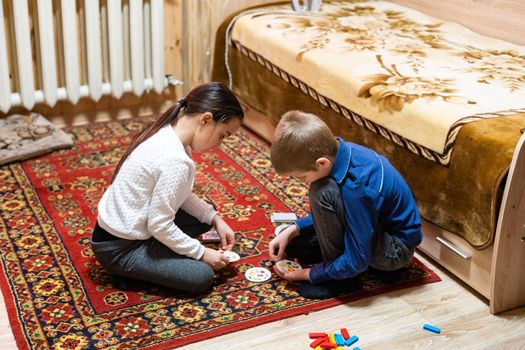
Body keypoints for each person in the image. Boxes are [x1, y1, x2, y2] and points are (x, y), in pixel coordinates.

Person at [91, 82, 244, 294]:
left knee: (203, 215)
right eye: (222, 135)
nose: (219, 143)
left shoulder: (167, 133)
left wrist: (215, 218)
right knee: (202, 276)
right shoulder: (176, 160)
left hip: (117, 232)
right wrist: (201, 253)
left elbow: (177, 195)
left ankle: (159, 255)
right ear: (206, 119)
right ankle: (132, 269)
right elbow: (159, 224)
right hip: (119, 250)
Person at [268, 110, 422, 299]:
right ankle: (333, 259)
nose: (301, 182)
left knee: (321, 191)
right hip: (376, 225)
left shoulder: (356, 188)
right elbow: (348, 210)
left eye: (302, 177)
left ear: (322, 162)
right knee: (323, 193)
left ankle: (341, 281)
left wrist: (309, 274)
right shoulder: (340, 150)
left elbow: (358, 260)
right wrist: (294, 229)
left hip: (395, 252)